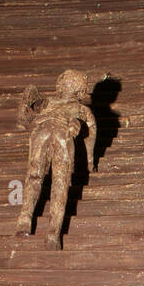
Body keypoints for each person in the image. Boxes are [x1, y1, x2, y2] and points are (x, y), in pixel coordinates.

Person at [16, 70, 97, 251]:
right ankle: (50, 231)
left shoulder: (49, 102)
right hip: (61, 133)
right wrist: (90, 160)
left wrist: (25, 115)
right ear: (82, 92)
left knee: (36, 175)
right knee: (59, 183)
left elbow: (28, 109)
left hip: (44, 130)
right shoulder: (81, 109)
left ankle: (27, 218)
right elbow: (92, 134)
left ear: (59, 86)